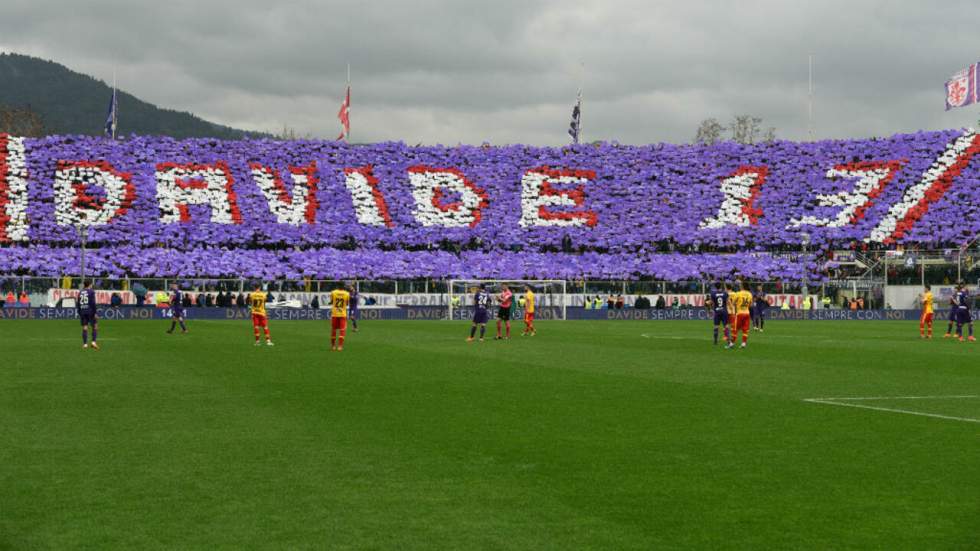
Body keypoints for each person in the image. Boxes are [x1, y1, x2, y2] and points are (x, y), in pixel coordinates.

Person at [77, 281, 99, 350]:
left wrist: (80, 312)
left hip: (83, 311)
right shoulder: (91, 291)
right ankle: (93, 342)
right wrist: (95, 312)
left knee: (85, 327)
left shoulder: (80, 292)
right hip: (90, 311)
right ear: (90, 285)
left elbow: (78, 303)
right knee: (95, 326)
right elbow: (93, 303)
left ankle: (85, 344)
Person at [731, 281, 753, 349]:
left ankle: (732, 344)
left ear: (742, 286)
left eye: (740, 285)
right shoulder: (750, 294)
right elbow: (750, 305)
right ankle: (743, 343)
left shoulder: (738, 293)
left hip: (739, 313)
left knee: (735, 329)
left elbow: (733, 302)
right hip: (747, 313)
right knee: (745, 330)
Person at [329, 283, 351, 351]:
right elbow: (347, 303)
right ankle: (340, 346)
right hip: (342, 314)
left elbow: (332, 301)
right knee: (342, 330)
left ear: (337, 286)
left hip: (334, 314)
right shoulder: (347, 293)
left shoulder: (333, 292)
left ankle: (333, 346)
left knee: (333, 330)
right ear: (344, 287)